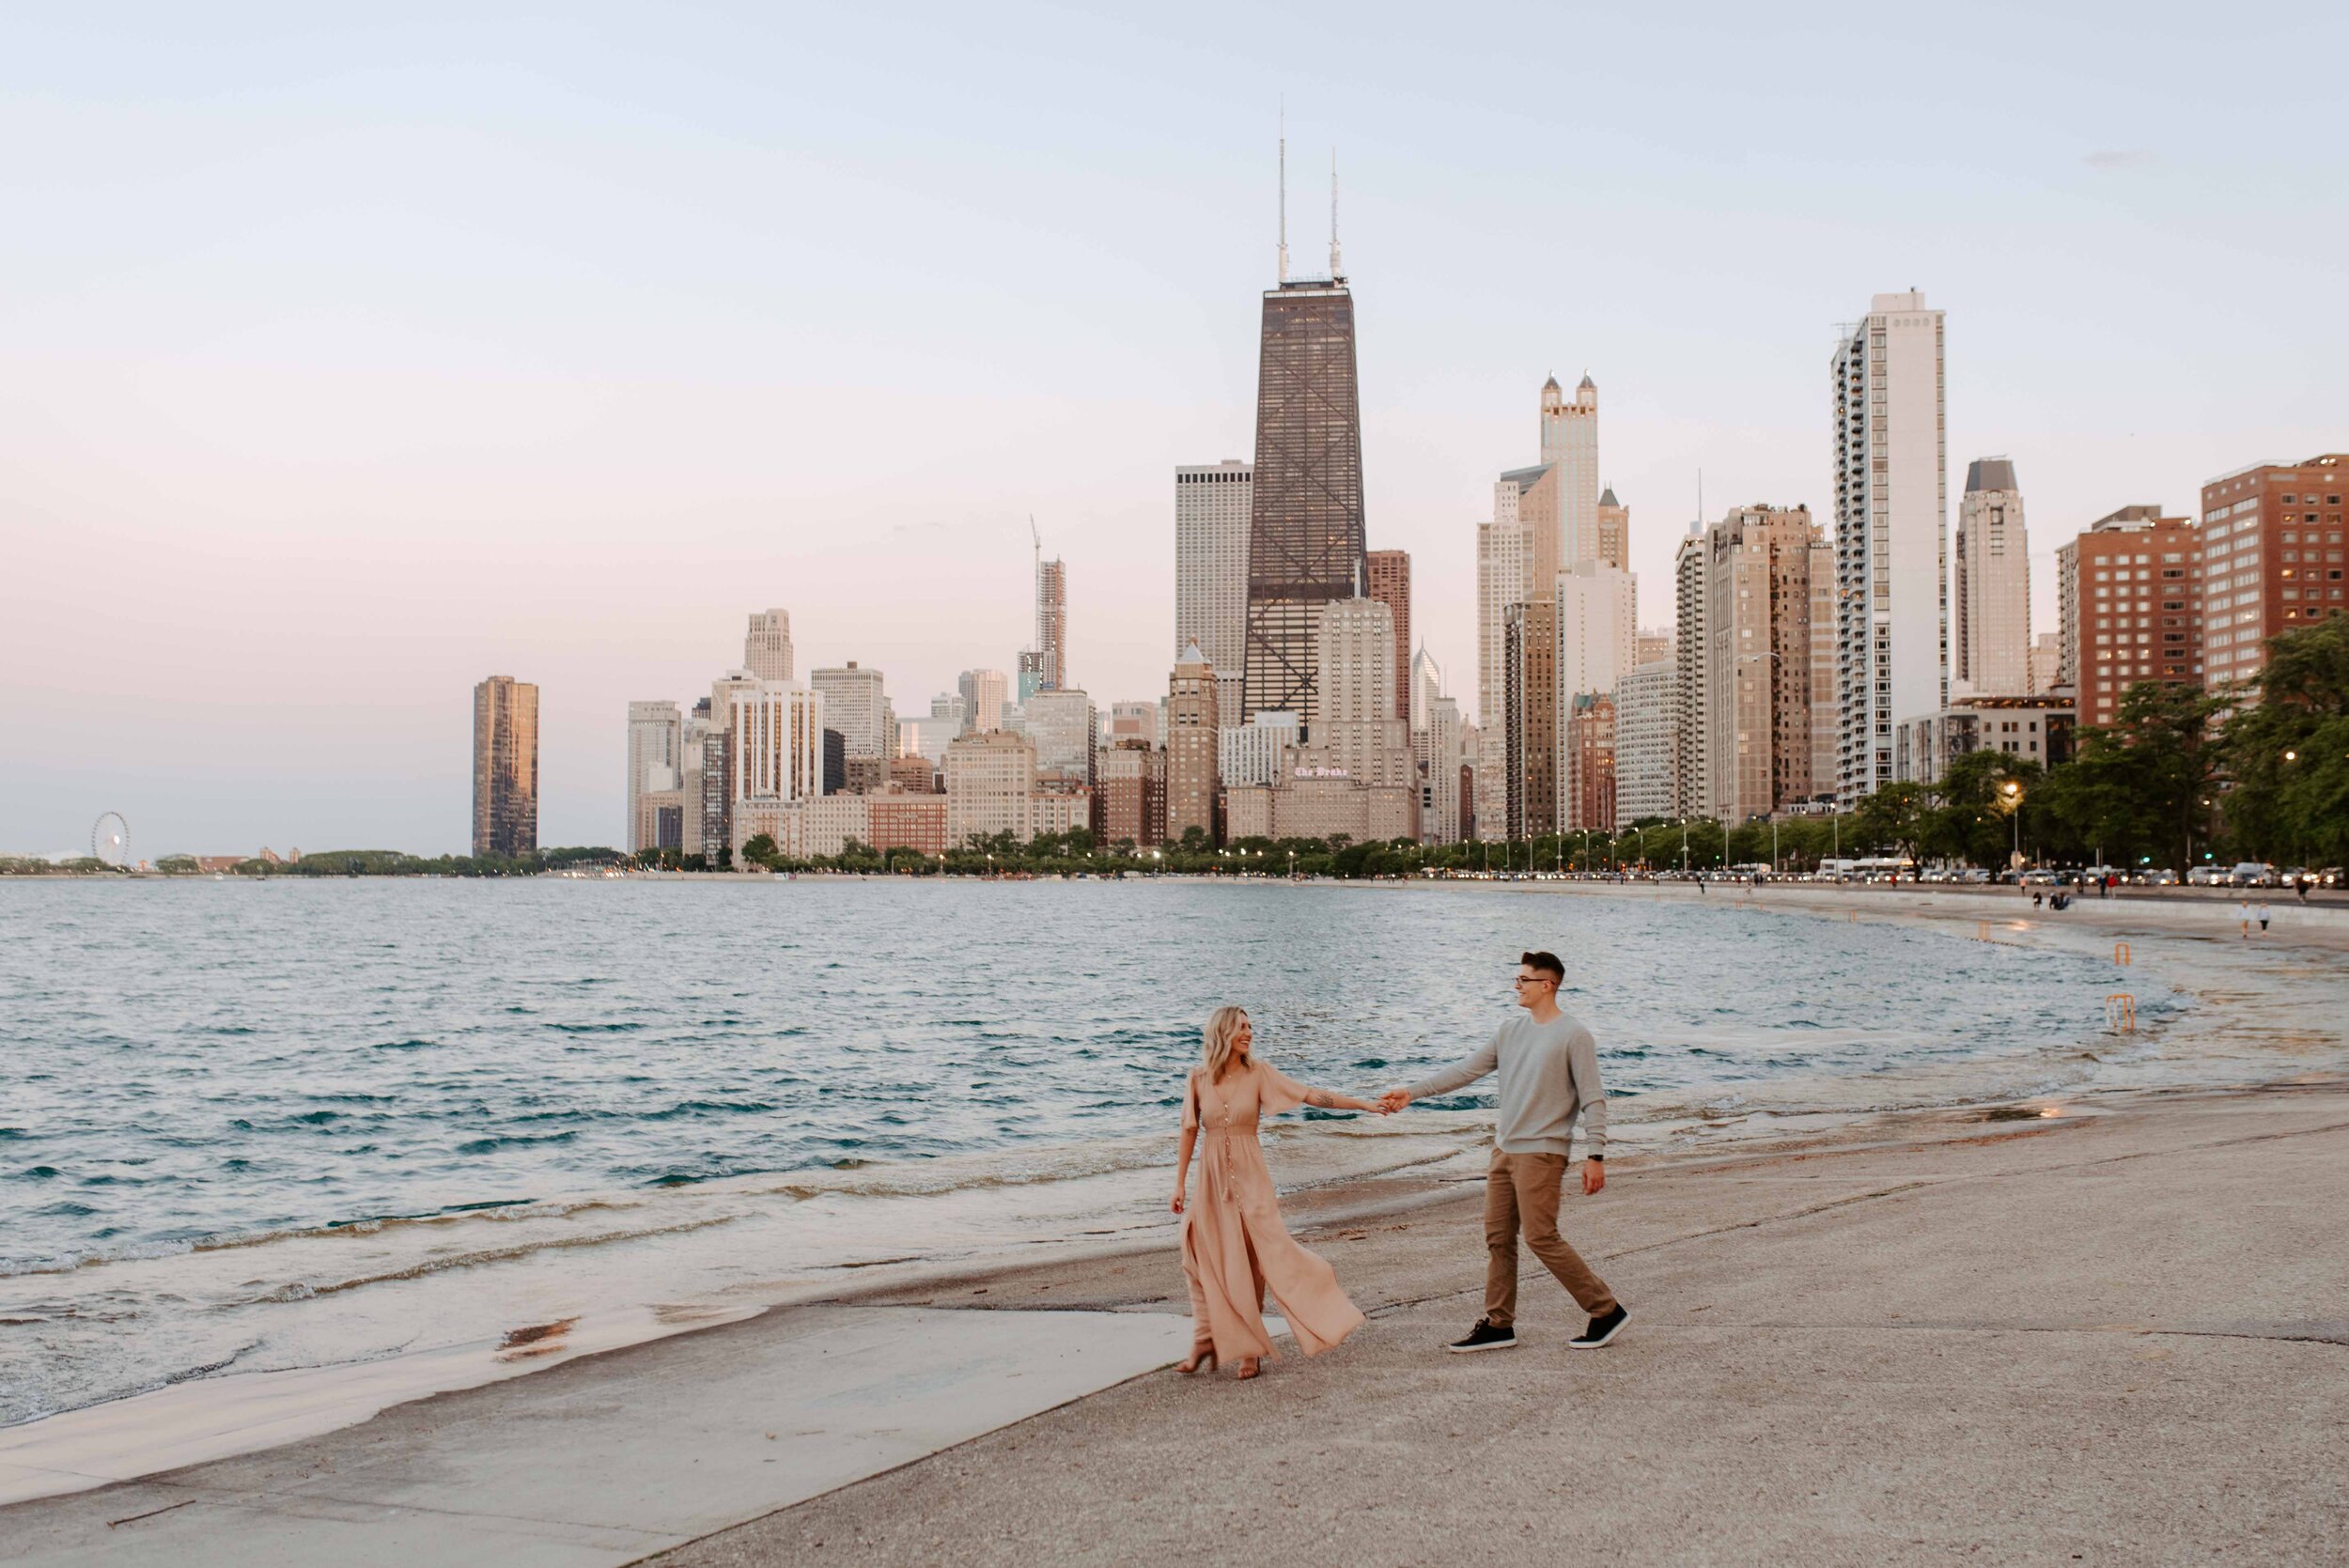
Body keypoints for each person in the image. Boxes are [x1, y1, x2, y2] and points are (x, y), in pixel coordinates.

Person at [1379, 952, 1626, 1354]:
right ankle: (1499, 1324)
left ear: (1547, 985)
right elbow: (1465, 1071)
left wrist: (1594, 1154)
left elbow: (1593, 1100)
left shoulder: (1573, 1035)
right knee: (1498, 1239)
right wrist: (1413, 1092)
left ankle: (1605, 1310)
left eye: (1524, 980)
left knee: (1542, 1238)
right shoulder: (1510, 1030)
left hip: (1542, 1153)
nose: (1517, 986)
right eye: (1517, 978)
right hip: (1504, 1150)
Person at [1170, 1006, 1384, 1380]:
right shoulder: (1198, 1078)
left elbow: (1310, 1096)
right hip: (1210, 1180)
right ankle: (1205, 1338)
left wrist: (1364, 1104)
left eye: (1251, 1027)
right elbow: (1189, 1130)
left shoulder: (1259, 1073)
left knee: (1254, 1260)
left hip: (1251, 1179)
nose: (1249, 1033)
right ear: (1223, 1033)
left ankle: (1250, 1347)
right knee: (1197, 1252)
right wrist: (1178, 1183)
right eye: (1242, 1027)